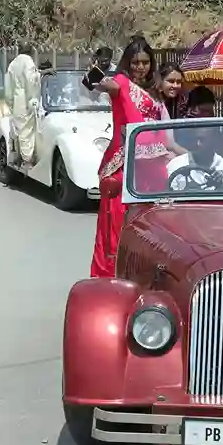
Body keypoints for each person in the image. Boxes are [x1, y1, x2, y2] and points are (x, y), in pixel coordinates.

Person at [91, 37, 176, 278]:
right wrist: (95, 73)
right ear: (127, 62)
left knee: (152, 225)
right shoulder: (120, 83)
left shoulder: (154, 89)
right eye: (136, 62)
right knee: (118, 227)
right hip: (124, 166)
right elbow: (96, 84)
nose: (141, 67)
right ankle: (110, 279)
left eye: (146, 62)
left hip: (153, 165)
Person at [166, 126, 223, 191]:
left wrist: (221, 186)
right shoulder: (176, 164)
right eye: (195, 140)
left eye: (202, 140)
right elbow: (170, 197)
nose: (198, 144)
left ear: (213, 141)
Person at [4, 42, 40, 167]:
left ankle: (19, 156)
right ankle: (27, 159)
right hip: (26, 98)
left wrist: (10, 101)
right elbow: (31, 81)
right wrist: (33, 98)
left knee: (19, 128)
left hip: (16, 98)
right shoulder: (28, 62)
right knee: (27, 130)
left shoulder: (12, 64)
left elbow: (8, 86)